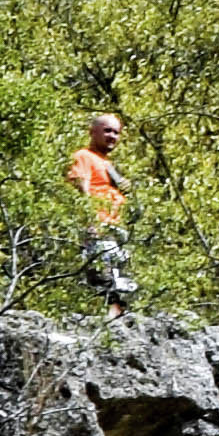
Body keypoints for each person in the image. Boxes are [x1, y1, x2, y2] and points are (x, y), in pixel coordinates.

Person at [68, 109, 137, 315]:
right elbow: (83, 189)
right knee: (104, 277)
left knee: (121, 280)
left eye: (116, 133)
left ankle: (118, 319)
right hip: (99, 227)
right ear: (93, 132)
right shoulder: (84, 156)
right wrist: (91, 222)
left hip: (115, 230)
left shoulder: (107, 163)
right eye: (107, 131)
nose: (112, 136)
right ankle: (109, 320)